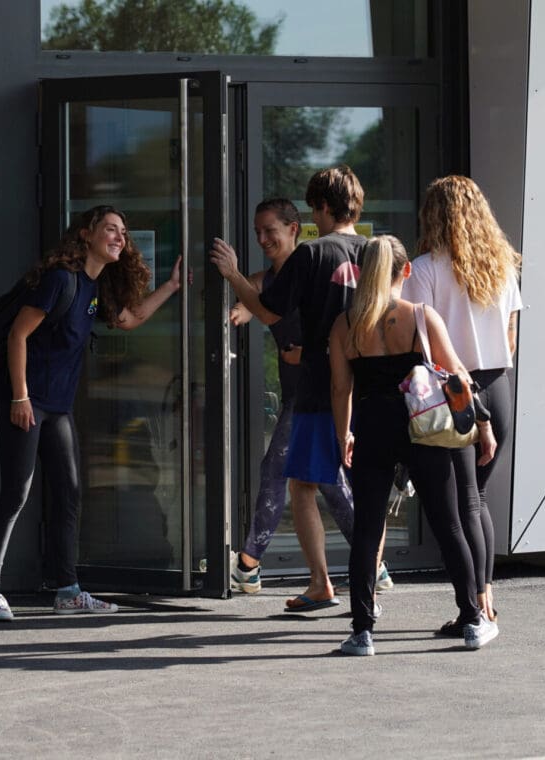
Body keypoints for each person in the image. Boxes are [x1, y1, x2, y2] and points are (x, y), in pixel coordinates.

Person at [0, 205, 183, 621]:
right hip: (28, 403)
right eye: (111, 229)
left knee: (69, 493)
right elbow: (18, 335)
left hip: (58, 408)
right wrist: (20, 397)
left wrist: (173, 285)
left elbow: (131, 318)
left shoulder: (96, 286)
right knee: (17, 493)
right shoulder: (60, 279)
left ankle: (67, 591)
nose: (120, 237)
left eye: (123, 232)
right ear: (87, 234)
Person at [211, 167, 390, 611]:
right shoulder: (377, 252)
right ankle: (369, 582)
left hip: (319, 386)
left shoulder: (313, 253)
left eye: (314, 209)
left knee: (303, 486)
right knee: (368, 488)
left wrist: (233, 275)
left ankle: (319, 583)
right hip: (372, 385)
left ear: (321, 207)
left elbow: (269, 312)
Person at [330, 235, 498, 655]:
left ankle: (362, 631)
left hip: (372, 428)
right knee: (448, 524)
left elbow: (340, 388)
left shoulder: (345, 325)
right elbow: (457, 376)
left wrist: (344, 434)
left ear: (361, 272)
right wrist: (484, 425)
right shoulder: (421, 316)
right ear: (405, 270)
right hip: (422, 428)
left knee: (368, 529)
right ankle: (472, 620)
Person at [402, 175, 522, 633]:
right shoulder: (502, 267)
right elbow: (510, 338)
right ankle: (485, 599)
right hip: (498, 385)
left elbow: (422, 343)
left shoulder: (425, 269)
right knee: (477, 499)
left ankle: (473, 609)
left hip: (454, 391)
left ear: (433, 215)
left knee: (461, 505)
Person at [221, 198, 358, 599]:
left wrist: (307, 351)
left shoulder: (310, 268)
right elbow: (255, 302)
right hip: (297, 393)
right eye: (257, 232)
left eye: (270, 231)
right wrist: (237, 309)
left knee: (279, 471)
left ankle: (249, 564)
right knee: (325, 481)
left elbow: (286, 316)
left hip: (313, 393)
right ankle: (374, 561)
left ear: (293, 229)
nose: (262, 239)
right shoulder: (269, 279)